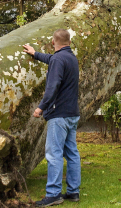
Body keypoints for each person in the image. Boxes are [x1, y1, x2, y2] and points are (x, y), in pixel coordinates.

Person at [23, 29, 80, 206]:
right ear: (68, 42)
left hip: (59, 115)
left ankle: (54, 194)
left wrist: (41, 107)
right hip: (72, 114)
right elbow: (52, 59)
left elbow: (52, 86)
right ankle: (73, 192)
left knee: (54, 153)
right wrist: (35, 54)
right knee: (72, 153)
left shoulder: (58, 59)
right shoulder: (71, 58)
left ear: (53, 42)